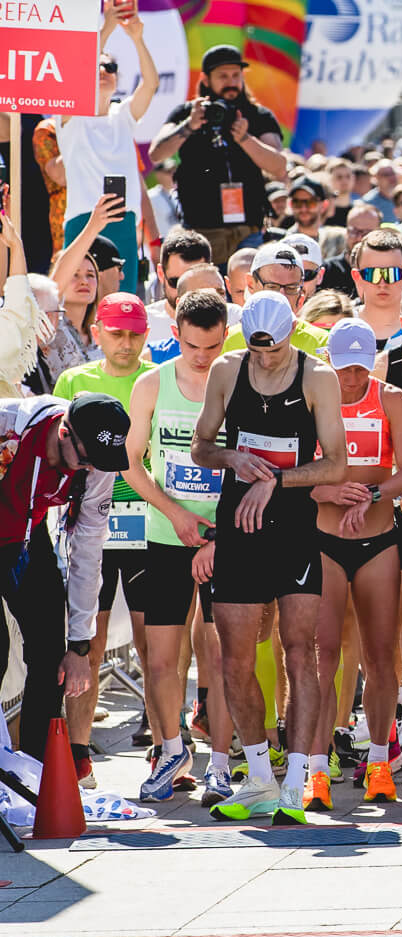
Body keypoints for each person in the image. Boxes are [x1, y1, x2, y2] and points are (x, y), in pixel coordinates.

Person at [191, 291, 347, 823]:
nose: (265, 359)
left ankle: (297, 779)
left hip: (293, 529)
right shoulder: (227, 370)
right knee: (233, 656)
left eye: (274, 350)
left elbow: (336, 465)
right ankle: (259, 776)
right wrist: (232, 458)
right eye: (257, 350)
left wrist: (275, 479)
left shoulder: (317, 376)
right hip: (240, 526)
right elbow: (200, 446)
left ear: (291, 334)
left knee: (300, 652)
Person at [123, 289, 233, 802]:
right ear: (175, 335)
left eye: (212, 347)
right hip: (166, 536)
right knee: (162, 659)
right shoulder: (152, 383)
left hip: (226, 541)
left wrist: (219, 536)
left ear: (226, 337)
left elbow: (254, 468)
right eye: (192, 346)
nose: (203, 357)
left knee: (222, 657)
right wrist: (175, 514)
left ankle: (223, 763)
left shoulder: (237, 384)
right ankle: (171, 751)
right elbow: (130, 462)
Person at [309, 318, 402, 809]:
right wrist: (327, 492)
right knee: (323, 655)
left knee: (380, 653)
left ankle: (378, 760)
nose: (352, 379)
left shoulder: (390, 398)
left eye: (360, 368)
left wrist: (371, 495)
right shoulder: (314, 398)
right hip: (324, 539)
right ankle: (316, 766)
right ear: (329, 362)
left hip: (378, 539)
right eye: (343, 369)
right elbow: (292, 471)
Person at [52, 293, 154, 784]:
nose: (126, 343)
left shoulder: (156, 378)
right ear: (97, 333)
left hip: (144, 518)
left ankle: (165, 741)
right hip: (91, 518)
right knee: (89, 641)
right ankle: (78, 751)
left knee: (154, 643)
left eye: (135, 334)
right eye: (117, 333)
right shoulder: (74, 381)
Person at [148, 44, 289, 265]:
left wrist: (245, 138)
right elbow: (156, 153)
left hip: (248, 230)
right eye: (223, 76)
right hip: (200, 232)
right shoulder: (188, 113)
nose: (231, 82)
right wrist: (189, 125)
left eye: (236, 75)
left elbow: (279, 166)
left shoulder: (257, 115)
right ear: (206, 79)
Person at [57, 4, 159, 273]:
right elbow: (76, 76)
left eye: (110, 67)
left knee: (122, 294)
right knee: (79, 293)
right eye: (97, 66)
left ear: (117, 77)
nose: (103, 71)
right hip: (82, 220)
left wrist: (137, 39)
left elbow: (150, 84)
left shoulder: (123, 115)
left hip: (123, 222)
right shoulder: (70, 116)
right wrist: (107, 29)